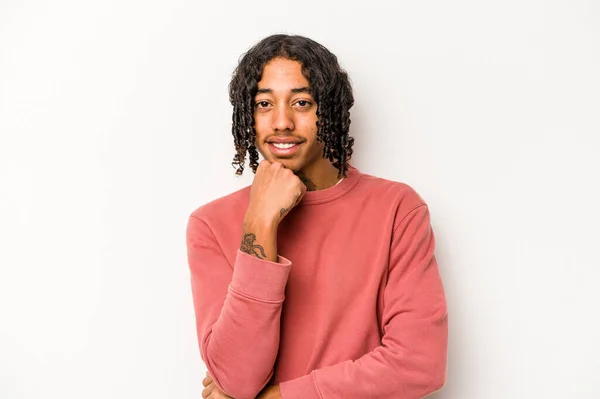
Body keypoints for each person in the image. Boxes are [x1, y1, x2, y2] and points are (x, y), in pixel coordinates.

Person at [186, 34, 448, 399]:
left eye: (302, 102)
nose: (281, 122)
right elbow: (237, 379)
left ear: (330, 109)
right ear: (248, 115)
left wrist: (278, 397)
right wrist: (260, 223)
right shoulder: (211, 224)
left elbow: (419, 364)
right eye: (264, 103)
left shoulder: (397, 209)